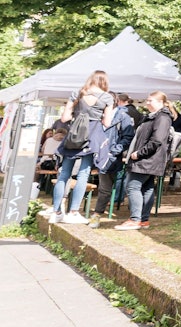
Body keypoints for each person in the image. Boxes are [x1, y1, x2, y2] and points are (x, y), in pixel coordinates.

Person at [46, 70, 115, 224]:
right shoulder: (107, 97)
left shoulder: (77, 93)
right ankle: (73, 212)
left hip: (73, 135)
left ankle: (57, 211)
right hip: (92, 136)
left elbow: (64, 118)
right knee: (83, 174)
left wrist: (77, 116)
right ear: (104, 82)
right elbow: (107, 123)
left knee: (64, 174)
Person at [116, 91, 173, 231]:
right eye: (147, 100)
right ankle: (143, 220)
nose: (147, 103)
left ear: (160, 102)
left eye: (150, 100)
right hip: (148, 160)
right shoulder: (152, 117)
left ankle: (135, 219)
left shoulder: (162, 118)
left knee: (132, 186)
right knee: (147, 188)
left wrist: (139, 154)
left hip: (147, 160)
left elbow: (157, 140)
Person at [88, 93, 137, 228]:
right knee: (102, 187)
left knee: (109, 187)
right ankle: (92, 214)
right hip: (95, 155)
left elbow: (128, 136)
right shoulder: (97, 115)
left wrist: (114, 150)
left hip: (111, 157)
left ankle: (98, 215)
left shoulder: (123, 117)